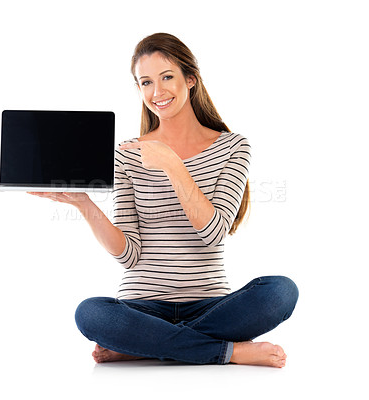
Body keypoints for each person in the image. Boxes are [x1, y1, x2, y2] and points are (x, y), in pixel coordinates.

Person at [28, 32, 298, 367]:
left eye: (167, 77)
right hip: (141, 306)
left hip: (211, 304)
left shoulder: (233, 147)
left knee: (280, 291)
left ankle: (145, 346)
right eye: (145, 82)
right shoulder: (128, 155)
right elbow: (129, 256)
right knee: (90, 313)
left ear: (191, 79)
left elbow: (212, 235)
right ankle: (226, 351)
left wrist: (172, 164)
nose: (157, 92)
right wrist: (84, 204)